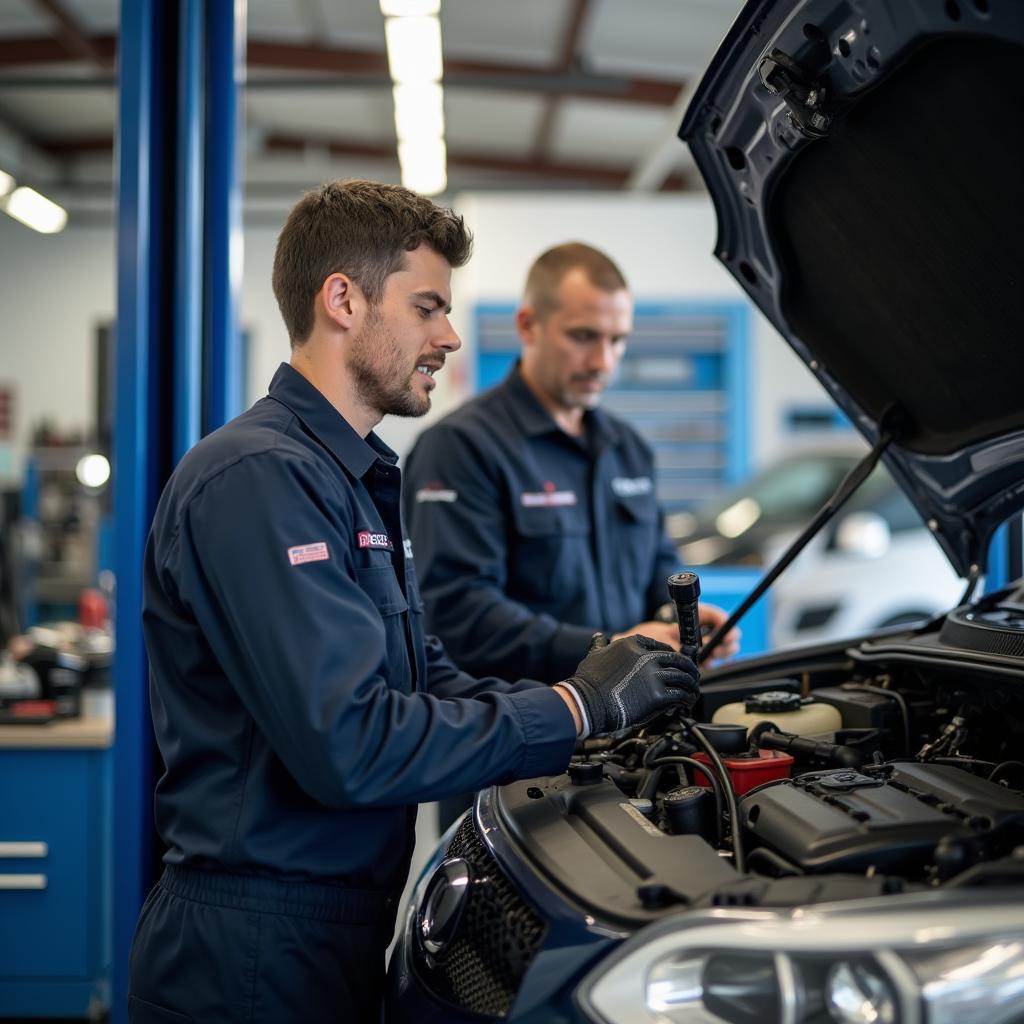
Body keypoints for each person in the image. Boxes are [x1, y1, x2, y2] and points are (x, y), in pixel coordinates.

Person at [127, 182, 701, 1024]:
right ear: (343, 300)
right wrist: (576, 707)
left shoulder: (347, 478)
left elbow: (427, 677)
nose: (450, 338)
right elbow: (351, 744)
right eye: (428, 307)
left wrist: (600, 713)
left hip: (333, 928)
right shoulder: (258, 479)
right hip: (251, 951)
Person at [403, 242, 739, 827]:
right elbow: (455, 612)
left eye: (617, 340)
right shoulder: (462, 449)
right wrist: (605, 649)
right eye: (584, 336)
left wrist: (681, 621)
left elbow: (659, 564)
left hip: (630, 746)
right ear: (529, 325)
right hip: (516, 757)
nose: (603, 359)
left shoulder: (627, 448)